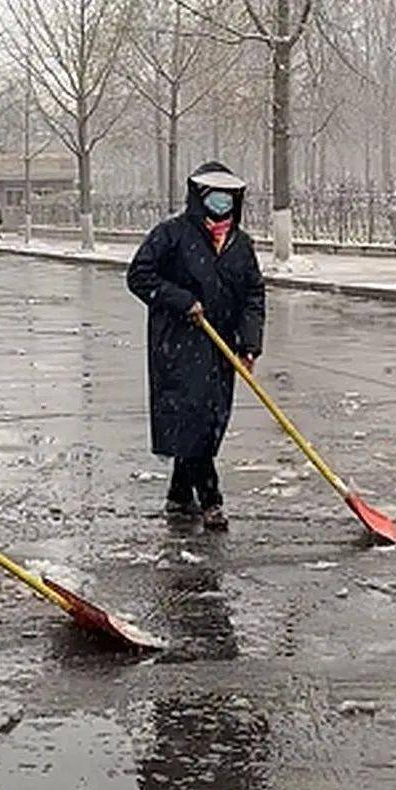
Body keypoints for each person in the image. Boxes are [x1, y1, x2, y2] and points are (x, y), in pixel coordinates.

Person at [126, 161, 265, 531]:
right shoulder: (171, 235)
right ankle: (211, 500)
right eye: (214, 197)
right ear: (199, 197)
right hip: (180, 346)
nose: (221, 205)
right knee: (195, 422)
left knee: (210, 422)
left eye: (227, 197)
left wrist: (250, 344)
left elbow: (253, 295)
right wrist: (181, 300)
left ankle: (179, 495)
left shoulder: (240, 245)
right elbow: (139, 275)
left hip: (222, 348)